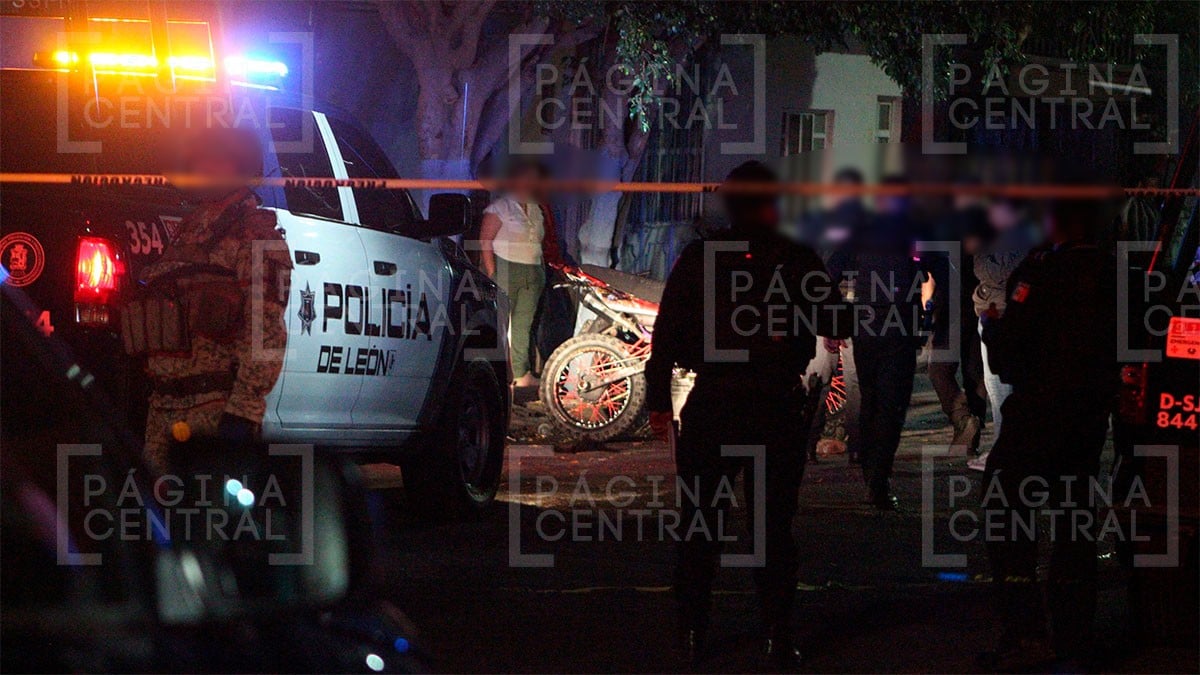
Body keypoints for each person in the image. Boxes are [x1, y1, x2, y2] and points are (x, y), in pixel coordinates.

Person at [645, 161, 847, 668]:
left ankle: (693, 631)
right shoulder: (796, 259)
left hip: (716, 403)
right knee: (773, 528)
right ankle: (777, 632)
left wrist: (656, 404)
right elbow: (834, 320)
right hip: (772, 404)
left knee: (699, 527)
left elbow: (666, 335)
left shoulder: (701, 257)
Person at [979, 196, 1117, 669]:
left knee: (1007, 518)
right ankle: (1075, 637)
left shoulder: (1039, 274)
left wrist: (992, 329)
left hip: (1037, 417)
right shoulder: (1118, 274)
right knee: (1074, 527)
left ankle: (1026, 633)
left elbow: (1010, 356)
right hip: (1087, 421)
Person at [137, 127, 292, 474]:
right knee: (157, 520)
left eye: (214, 160)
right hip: (163, 405)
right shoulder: (190, 230)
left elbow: (265, 332)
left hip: (214, 410)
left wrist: (244, 411)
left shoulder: (256, 237)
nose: (202, 167)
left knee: (207, 520)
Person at [827, 175, 926, 509]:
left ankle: (872, 472)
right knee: (890, 406)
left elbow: (830, 275)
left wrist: (835, 322)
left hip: (868, 327)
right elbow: (943, 272)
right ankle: (877, 477)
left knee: (872, 401)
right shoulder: (914, 232)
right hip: (899, 330)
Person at [967, 197, 1039, 471]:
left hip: (1004, 315)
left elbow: (997, 272)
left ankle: (1004, 451)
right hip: (991, 312)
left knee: (1002, 388)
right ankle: (1004, 447)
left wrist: (984, 259)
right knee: (996, 386)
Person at [804, 167, 866, 463]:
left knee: (819, 378)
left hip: (831, 313)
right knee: (852, 382)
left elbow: (821, 278)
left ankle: (807, 443)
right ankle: (856, 448)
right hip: (853, 313)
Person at [478, 161, 560, 387]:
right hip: (506, 268)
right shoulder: (501, 207)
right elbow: (485, 241)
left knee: (524, 324)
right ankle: (495, 374)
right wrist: (494, 273)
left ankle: (520, 373)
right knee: (501, 324)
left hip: (532, 271)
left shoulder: (535, 207)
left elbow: (541, 240)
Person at [926, 189, 991, 454]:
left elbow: (931, 263)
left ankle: (963, 421)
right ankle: (968, 433)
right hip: (978, 304)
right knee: (974, 372)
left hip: (957, 305)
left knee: (940, 369)